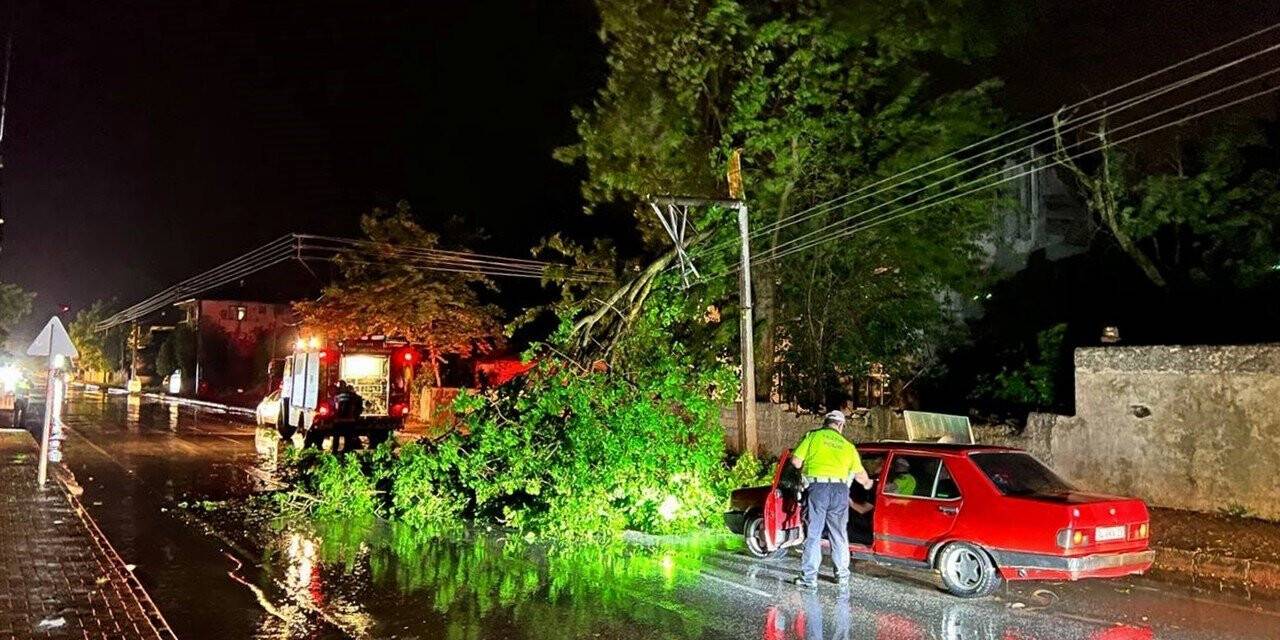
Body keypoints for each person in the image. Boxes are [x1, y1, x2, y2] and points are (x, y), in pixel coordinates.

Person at [790, 410, 873, 589]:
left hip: (818, 489)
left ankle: (809, 579)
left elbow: (796, 461)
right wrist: (868, 485)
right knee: (839, 534)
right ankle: (842, 576)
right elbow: (861, 476)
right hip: (840, 491)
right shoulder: (848, 445)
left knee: (814, 534)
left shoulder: (813, 436)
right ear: (841, 426)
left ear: (825, 422)